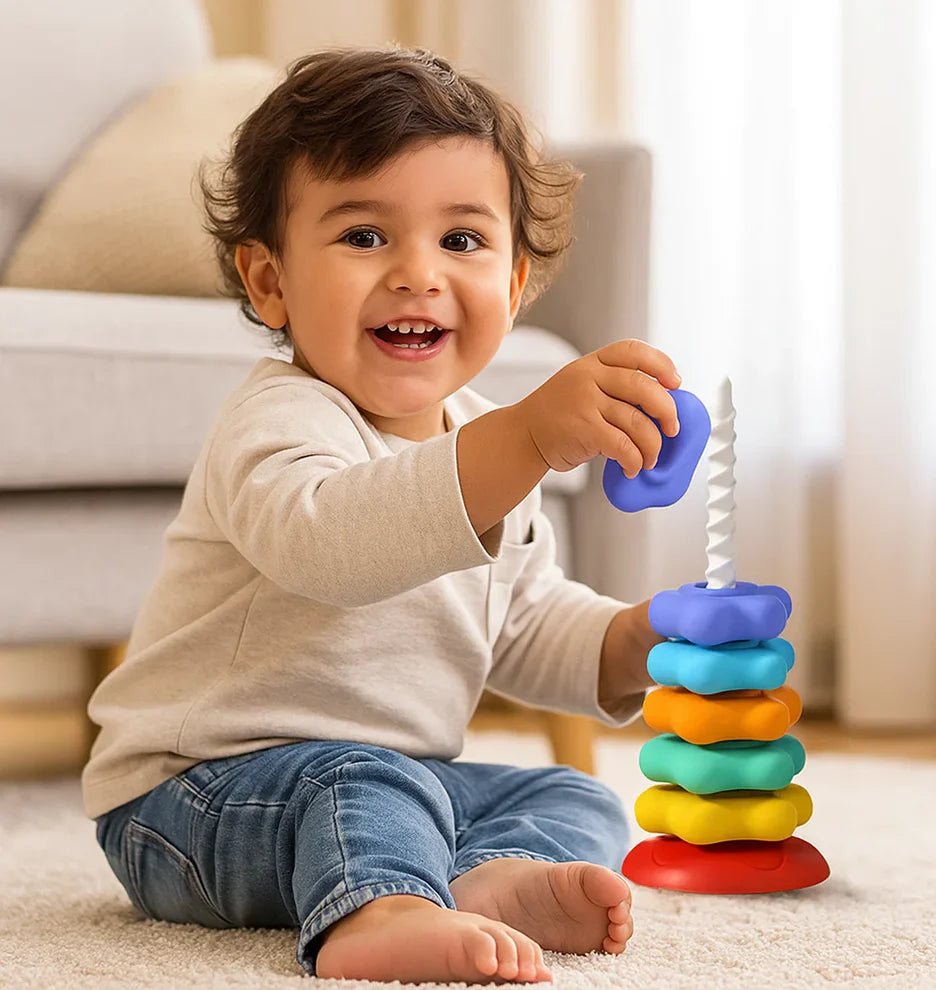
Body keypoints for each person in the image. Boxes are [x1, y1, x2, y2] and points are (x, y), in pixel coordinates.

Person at [83, 45, 683, 984]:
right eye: (364, 237)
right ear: (270, 281)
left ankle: (489, 880)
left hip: (379, 787)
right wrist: (527, 439)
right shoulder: (279, 419)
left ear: (516, 285)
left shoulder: (483, 441)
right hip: (190, 800)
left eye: (462, 240)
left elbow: (521, 626)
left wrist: (640, 642)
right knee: (364, 778)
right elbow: (335, 546)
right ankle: (380, 911)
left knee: (573, 793)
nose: (416, 274)